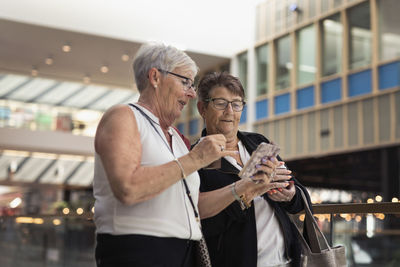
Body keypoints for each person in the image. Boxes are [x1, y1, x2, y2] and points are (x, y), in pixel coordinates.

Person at [93, 43, 236, 267]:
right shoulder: (123, 116)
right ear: (155, 77)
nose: (191, 93)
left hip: (185, 253)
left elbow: (192, 205)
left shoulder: (177, 138)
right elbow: (127, 188)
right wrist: (196, 158)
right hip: (139, 252)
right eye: (185, 82)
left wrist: (245, 188)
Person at [195, 72, 312, 267]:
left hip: (288, 261)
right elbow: (205, 224)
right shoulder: (198, 158)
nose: (230, 111)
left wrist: (289, 194)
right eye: (220, 103)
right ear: (202, 108)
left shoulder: (257, 143)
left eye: (237, 103)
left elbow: (302, 198)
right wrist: (246, 193)